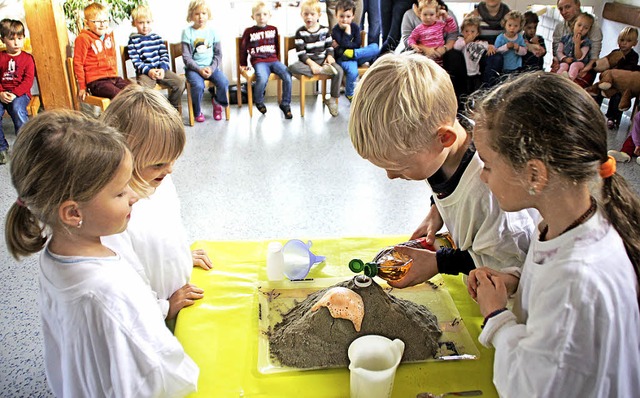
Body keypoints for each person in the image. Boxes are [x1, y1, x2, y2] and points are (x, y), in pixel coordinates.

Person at [468, 71, 640, 397]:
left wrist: (496, 315)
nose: (482, 177)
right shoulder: (565, 221)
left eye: (488, 164)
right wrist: (516, 280)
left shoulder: (577, 279)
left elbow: (528, 387)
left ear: (534, 173)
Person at [5, 109, 198, 397]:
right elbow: (150, 376)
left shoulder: (57, 254)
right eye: (120, 193)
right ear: (73, 213)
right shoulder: (108, 290)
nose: (133, 196)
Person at [348, 53, 535, 289]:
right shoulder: (441, 149)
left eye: (401, 168)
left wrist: (440, 263)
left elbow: (510, 266)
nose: (391, 176)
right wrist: (436, 209)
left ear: (444, 138)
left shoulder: (490, 189)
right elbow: (444, 179)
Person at [101, 84, 211, 328]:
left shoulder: (160, 180)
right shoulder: (113, 214)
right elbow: (125, 285)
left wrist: (181, 256)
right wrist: (164, 308)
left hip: (173, 296)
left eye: (173, 160)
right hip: (151, 316)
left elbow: (168, 227)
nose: (170, 169)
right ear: (124, 157)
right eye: (159, 163)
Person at [289, 0, 344, 117]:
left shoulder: (325, 30)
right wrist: (312, 65)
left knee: (339, 71)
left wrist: (329, 56)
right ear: (301, 15)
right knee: (292, 67)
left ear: (319, 15)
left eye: (312, 14)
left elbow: (329, 47)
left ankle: (333, 99)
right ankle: (322, 70)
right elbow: (301, 53)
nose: (309, 17)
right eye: (306, 14)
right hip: (308, 62)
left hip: (323, 61)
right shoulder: (300, 32)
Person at [240, 1, 293, 119]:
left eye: (264, 14)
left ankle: (285, 104)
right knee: (262, 78)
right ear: (252, 16)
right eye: (258, 14)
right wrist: (243, 64)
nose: (261, 17)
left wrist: (278, 61)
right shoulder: (248, 31)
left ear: (269, 16)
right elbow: (243, 48)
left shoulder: (273, 29)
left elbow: (276, 46)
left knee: (287, 75)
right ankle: (258, 101)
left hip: (273, 60)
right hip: (259, 61)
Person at [127, 5, 186, 111]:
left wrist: (162, 69)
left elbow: (164, 55)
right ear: (134, 23)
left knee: (180, 83)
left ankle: (170, 109)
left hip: (161, 70)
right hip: (145, 73)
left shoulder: (157, 38)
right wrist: (149, 71)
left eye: (148, 22)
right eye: (141, 23)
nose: (145, 26)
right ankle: (153, 114)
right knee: (145, 91)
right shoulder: (133, 41)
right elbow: (136, 62)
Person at [581, 27, 639, 129]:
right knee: (597, 92)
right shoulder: (615, 52)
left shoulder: (634, 56)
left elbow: (629, 70)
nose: (624, 43)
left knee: (617, 97)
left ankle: (613, 118)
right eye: (622, 40)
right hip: (609, 82)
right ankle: (593, 112)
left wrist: (619, 64)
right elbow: (607, 63)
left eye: (628, 41)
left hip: (621, 85)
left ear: (635, 43)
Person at [182, 0, 229, 122]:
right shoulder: (187, 32)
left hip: (211, 68)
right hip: (194, 69)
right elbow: (186, 57)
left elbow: (218, 54)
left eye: (203, 13)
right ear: (191, 15)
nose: (200, 17)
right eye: (197, 13)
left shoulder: (213, 32)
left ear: (208, 14)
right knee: (198, 85)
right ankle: (197, 110)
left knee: (224, 82)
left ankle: (217, 102)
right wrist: (199, 69)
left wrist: (211, 68)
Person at [73, 2, 131, 101]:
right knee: (120, 96)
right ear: (87, 23)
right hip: (97, 82)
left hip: (113, 78)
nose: (102, 24)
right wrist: (82, 87)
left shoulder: (109, 35)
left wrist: (114, 74)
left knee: (134, 91)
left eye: (105, 21)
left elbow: (112, 57)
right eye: (97, 21)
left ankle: (136, 115)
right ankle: (119, 116)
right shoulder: (83, 38)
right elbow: (78, 63)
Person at [0, 18, 34, 165]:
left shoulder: (27, 59)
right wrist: (0, 92)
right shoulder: (1, 57)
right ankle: (2, 148)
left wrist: (14, 94)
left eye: (19, 38)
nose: (16, 43)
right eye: (11, 39)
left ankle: (25, 148)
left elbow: (28, 81)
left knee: (18, 110)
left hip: (20, 93)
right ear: (3, 40)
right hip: (2, 92)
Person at [332, 0, 379, 101]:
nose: (345, 20)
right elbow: (344, 46)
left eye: (348, 16)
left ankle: (354, 54)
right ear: (336, 15)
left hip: (355, 55)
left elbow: (357, 43)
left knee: (375, 47)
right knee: (353, 72)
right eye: (341, 16)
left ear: (353, 16)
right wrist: (347, 32)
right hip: (344, 59)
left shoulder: (355, 27)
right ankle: (349, 94)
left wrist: (350, 50)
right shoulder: (335, 30)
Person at [552, 0, 602, 85]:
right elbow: (556, 50)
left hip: (584, 66)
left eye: (567, 7)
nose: (564, 12)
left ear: (578, 5)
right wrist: (558, 62)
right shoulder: (560, 26)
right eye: (560, 9)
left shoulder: (592, 26)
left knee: (571, 88)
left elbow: (594, 56)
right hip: (563, 63)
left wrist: (584, 70)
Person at [469, 0, 510, 85]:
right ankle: (485, 91)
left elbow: (518, 36)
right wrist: (486, 45)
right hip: (480, 50)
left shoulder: (508, 15)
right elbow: (466, 37)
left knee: (497, 58)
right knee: (495, 58)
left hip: (502, 49)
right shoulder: (474, 15)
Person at [406, 0, 457, 66]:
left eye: (431, 14)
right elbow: (410, 39)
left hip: (439, 57)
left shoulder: (440, 25)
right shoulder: (418, 29)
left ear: (436, 14)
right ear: (420, 14)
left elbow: (452, 29)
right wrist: (415, 46)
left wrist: (447, 17)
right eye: (425, 14)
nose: (428, 17)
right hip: (425, 58)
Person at [453, 16, 494, 98]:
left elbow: (488, 46)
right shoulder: (461, 41)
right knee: (465, 93)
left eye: (472, 31)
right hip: (465, 74)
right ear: (462, 32)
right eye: (466, 31)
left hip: (476, 74)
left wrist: (490, 47)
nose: (469, 34)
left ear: (477, 33)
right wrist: (466, 41)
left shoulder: (479, 43)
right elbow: (456, 47)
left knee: (476, 93)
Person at [555, 12, 593, 81]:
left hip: (580, 63)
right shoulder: (565, 38)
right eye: (579, 25)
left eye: (586, 28)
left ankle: (570, 79)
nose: (581, 29)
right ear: (573, 25)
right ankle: (558, 79)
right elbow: (559, 51)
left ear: (588, 30)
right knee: (564, 65)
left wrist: (577, 44)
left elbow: (579, 57)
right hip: (566, 60)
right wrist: (564, 58)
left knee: (574, 65)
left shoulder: (586, 42)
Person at [494, 10, 526, 75]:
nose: (512, 28)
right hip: (503, 67)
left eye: (516, 26)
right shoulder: (500, 38)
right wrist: (506, 47)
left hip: (516, 67)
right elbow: (496, 51)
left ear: (520, 27)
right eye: (509, 25)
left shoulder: (519, 38)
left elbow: (524, 51)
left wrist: (518, 48)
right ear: (505, 24)